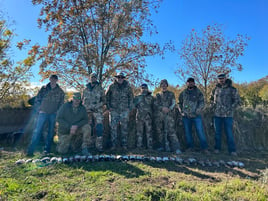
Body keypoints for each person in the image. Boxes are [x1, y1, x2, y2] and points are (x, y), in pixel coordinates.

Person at [27, 74, 65, 156]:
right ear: (50, 79)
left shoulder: (60, 91)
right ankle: (31, 150)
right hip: (42, 113)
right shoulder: (43, 89)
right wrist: (39, 110)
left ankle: (47, 150)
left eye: (55, 79)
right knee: (37, 131)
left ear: (57, 80)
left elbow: (61, 104)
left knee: (50, 132)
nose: (53, 80)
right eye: (52, 78)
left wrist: (57, 113)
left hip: (53, 114)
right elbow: (37, 99)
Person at [210, 73, 241, 156]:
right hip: (217, 114)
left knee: (229, 132)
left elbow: (237, 101)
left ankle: (232, 150)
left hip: (228, 115)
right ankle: (217, 148)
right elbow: (212, 100)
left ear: (225, 79)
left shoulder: (232, 89)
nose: (221, 80)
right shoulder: (215, 89)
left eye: (222, 78)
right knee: (217, 132)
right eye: (219, 79)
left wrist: (230, 108)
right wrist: (212, 107)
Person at [178, 77, 209, 153]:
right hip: (186, 116)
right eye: (189, 82)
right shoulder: (183, 93)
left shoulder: (198, 92)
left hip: (196, 116)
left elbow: (202, 102)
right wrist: (181, 111)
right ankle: (190, 147)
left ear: (194, 83)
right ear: (187, 83)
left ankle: (204, 148)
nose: (190, 83)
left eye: (192, 82)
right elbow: (179, 103)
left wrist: (198, 110)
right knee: (188, 132)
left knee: (200, 131)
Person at [105, 72, 133, 150]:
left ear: (124, 78)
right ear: (116, 78)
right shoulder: (111, 86)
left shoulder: (128, 87)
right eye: (118, 77)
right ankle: (114, 145)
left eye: (121, 77)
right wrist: (109, 107)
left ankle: (124, 145)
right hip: (114, 110)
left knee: (124, 128)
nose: (120, 79)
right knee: (113, 128)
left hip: (124, 110)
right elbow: (106, 97)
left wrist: (129, 108)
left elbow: (131, 98)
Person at [154, 79, 181, 154]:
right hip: (160, 116)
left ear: (167, 85)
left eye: (165, 84)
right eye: (162, 84)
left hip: (169, 116)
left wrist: (169, 109)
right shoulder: (157, 95)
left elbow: (173, 103)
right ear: (160, 85)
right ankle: (161, 147)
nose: (164, 85)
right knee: (160, 132)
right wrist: (162, 108)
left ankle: (176, 148)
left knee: (171, 131)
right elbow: (155, 104)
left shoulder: (171, 94)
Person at [82, 73, 105, 152]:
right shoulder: (85, 89)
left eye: (95, 77)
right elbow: (82, 101)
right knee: (88, 128)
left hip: (97, 111)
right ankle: (88, 145)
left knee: (99, 128)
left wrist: (96, 106)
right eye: (92, 77)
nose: (93, 79)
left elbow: (104, 101)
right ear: (90, 78)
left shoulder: (100, 88)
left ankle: (99, 146)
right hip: (87, 112)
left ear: (96, 78)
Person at [133, 83, 154, 149]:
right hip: (139, 117)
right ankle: (139, 146)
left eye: (145, 88)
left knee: (149, 132)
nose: (144, 89)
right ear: (140, 89)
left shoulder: (151, 97)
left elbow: (154, 107)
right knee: (139, 132)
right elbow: (134, 106)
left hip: (148, 117)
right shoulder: (137, 97)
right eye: (142, 88)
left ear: (147, 88)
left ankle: (150, 147)